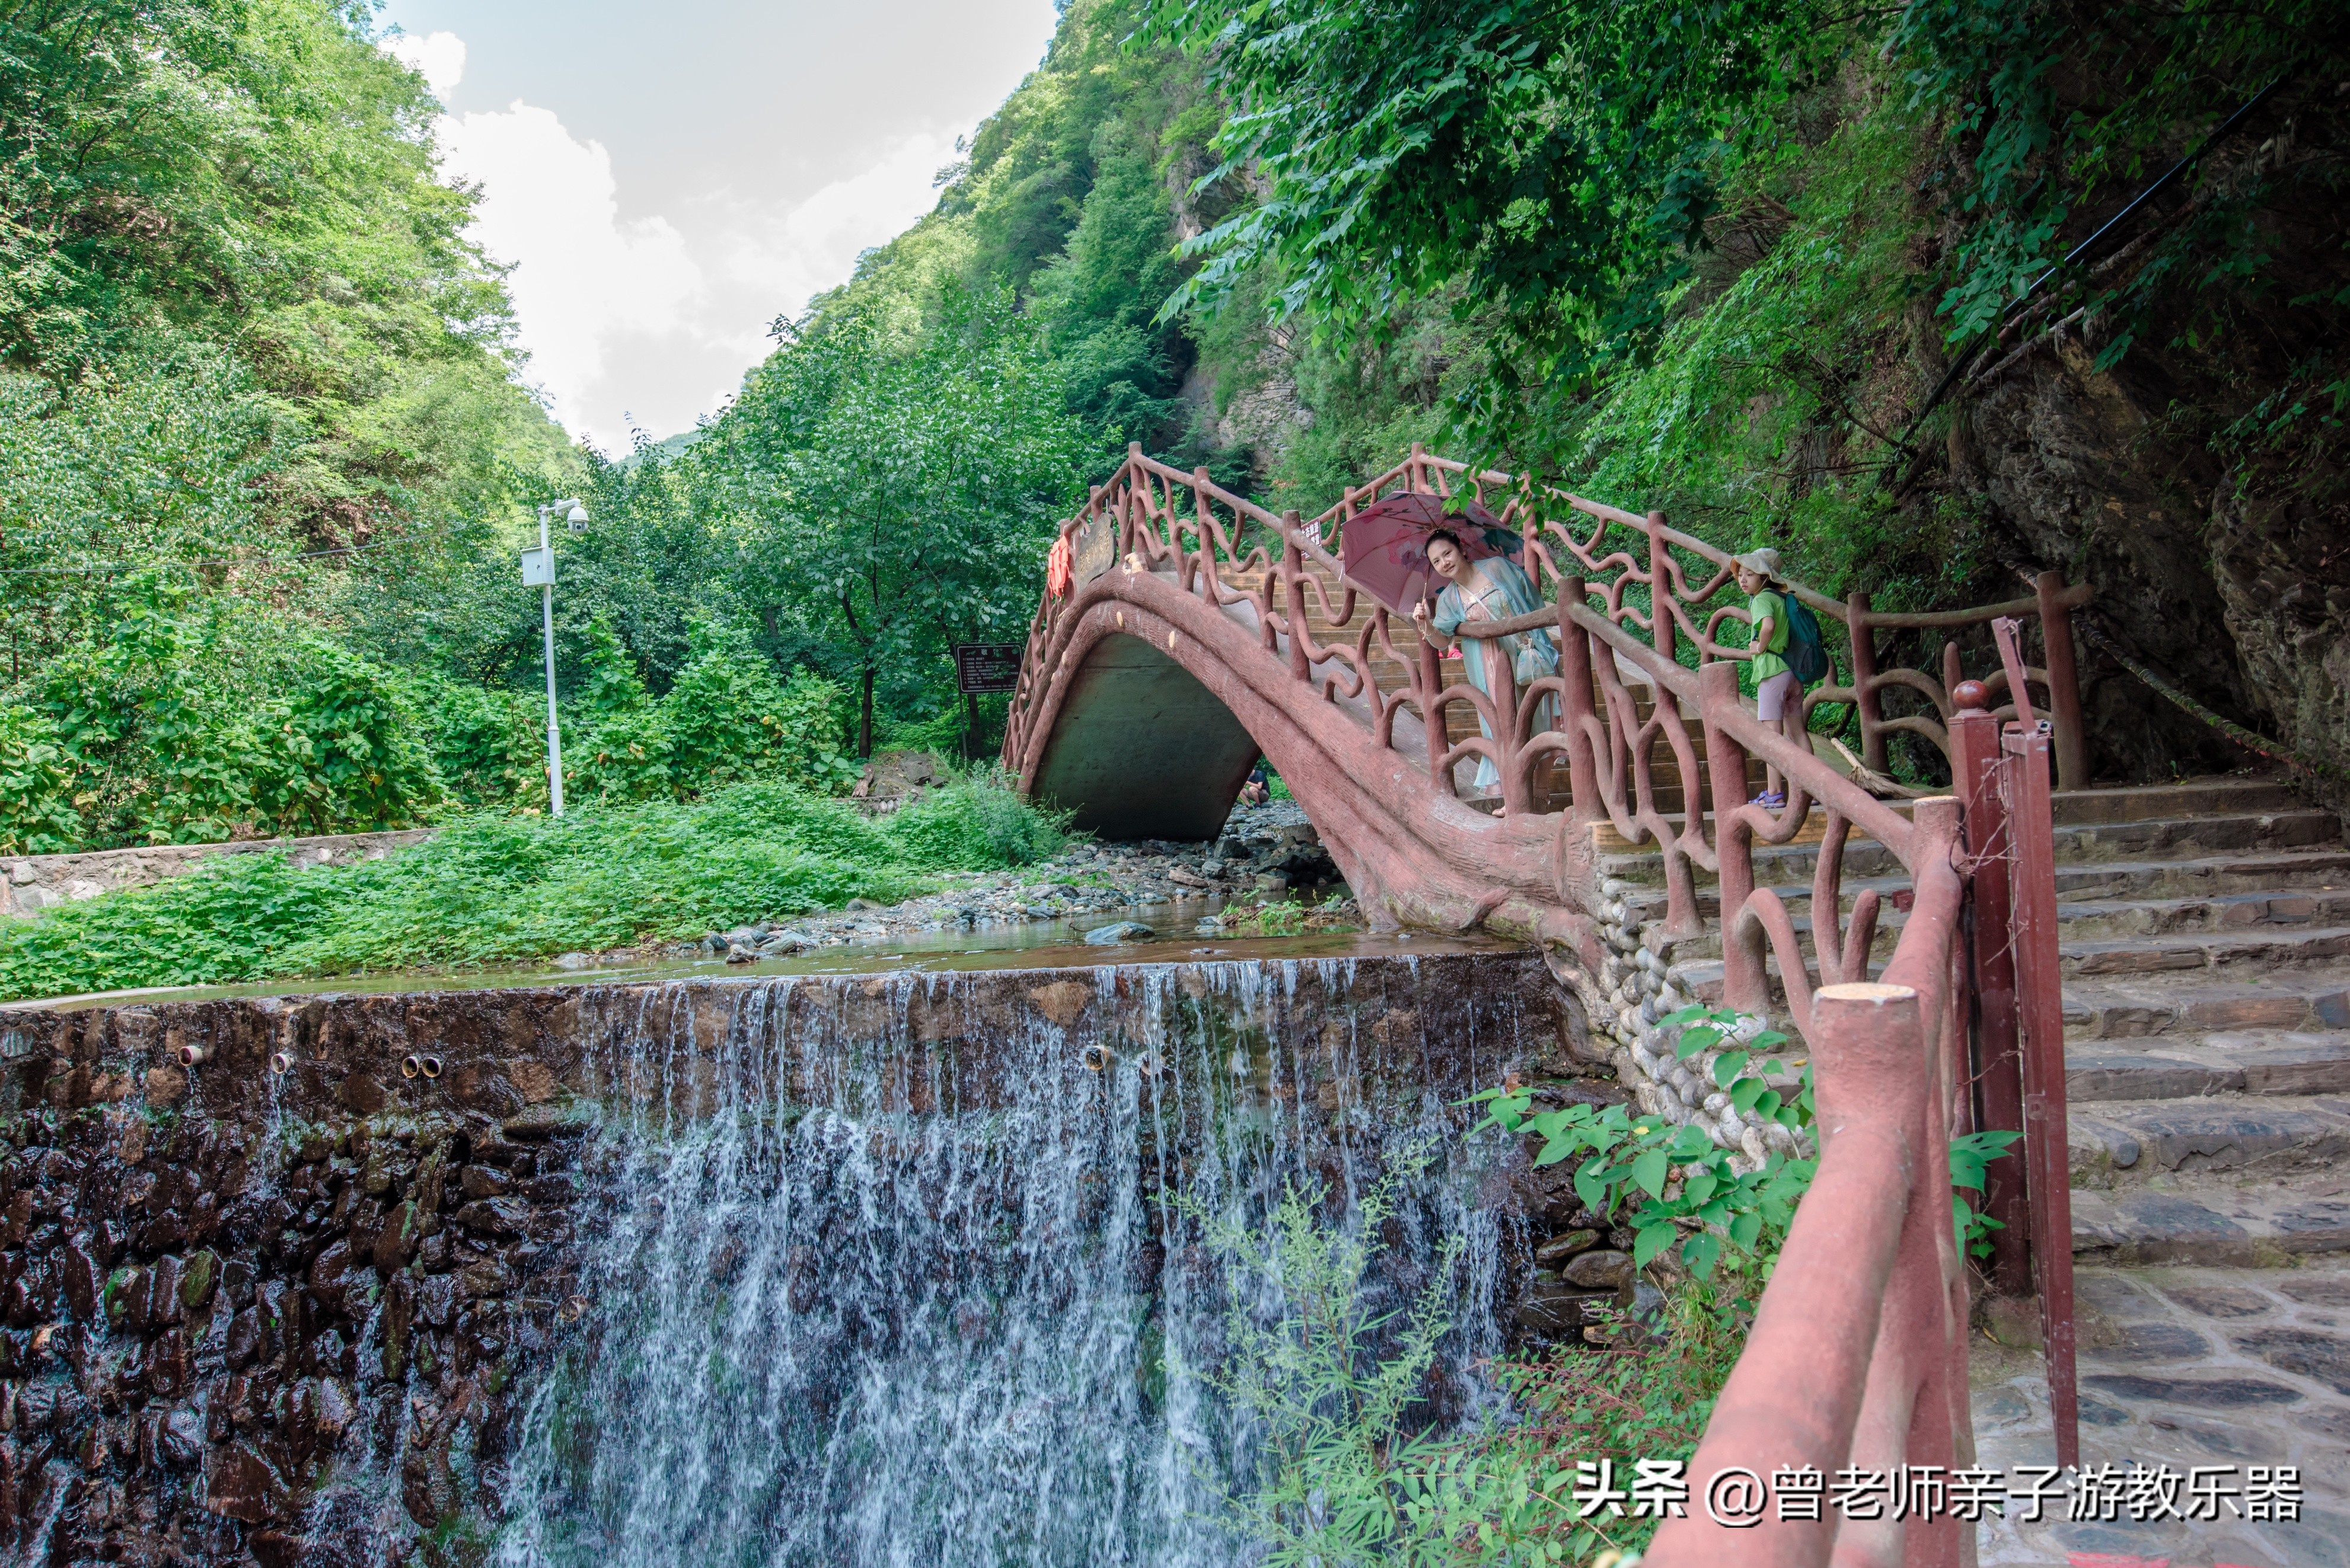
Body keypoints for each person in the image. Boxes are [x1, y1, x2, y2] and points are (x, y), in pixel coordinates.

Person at [1410, 529, 1559, 797]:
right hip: (1492, 666)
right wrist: (1425, 624)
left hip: (1527, 652)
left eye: (1447, 553)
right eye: (1436, 561)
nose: (1444, 563)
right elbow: (1442, 641)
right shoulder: (1449, 599)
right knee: (1503, 724)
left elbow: (1532, 599)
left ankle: (1541, 792)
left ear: (1461, 548)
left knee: (1541, 715)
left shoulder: (1497, 568)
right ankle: (1512, 795)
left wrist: (1537, 636)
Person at [1734, 547, 1801, 808]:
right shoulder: (1783, 598)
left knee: (1771, 737)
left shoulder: (1762, 599)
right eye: (1741, 574)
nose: (1743, 579)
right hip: (1792, 671)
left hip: (1772, 673)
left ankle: (1774, 793)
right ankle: (1810, 790)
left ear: (1765, 577)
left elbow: (1769, 626)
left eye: (1750, 574)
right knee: (1798, 733)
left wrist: (1759, 647)